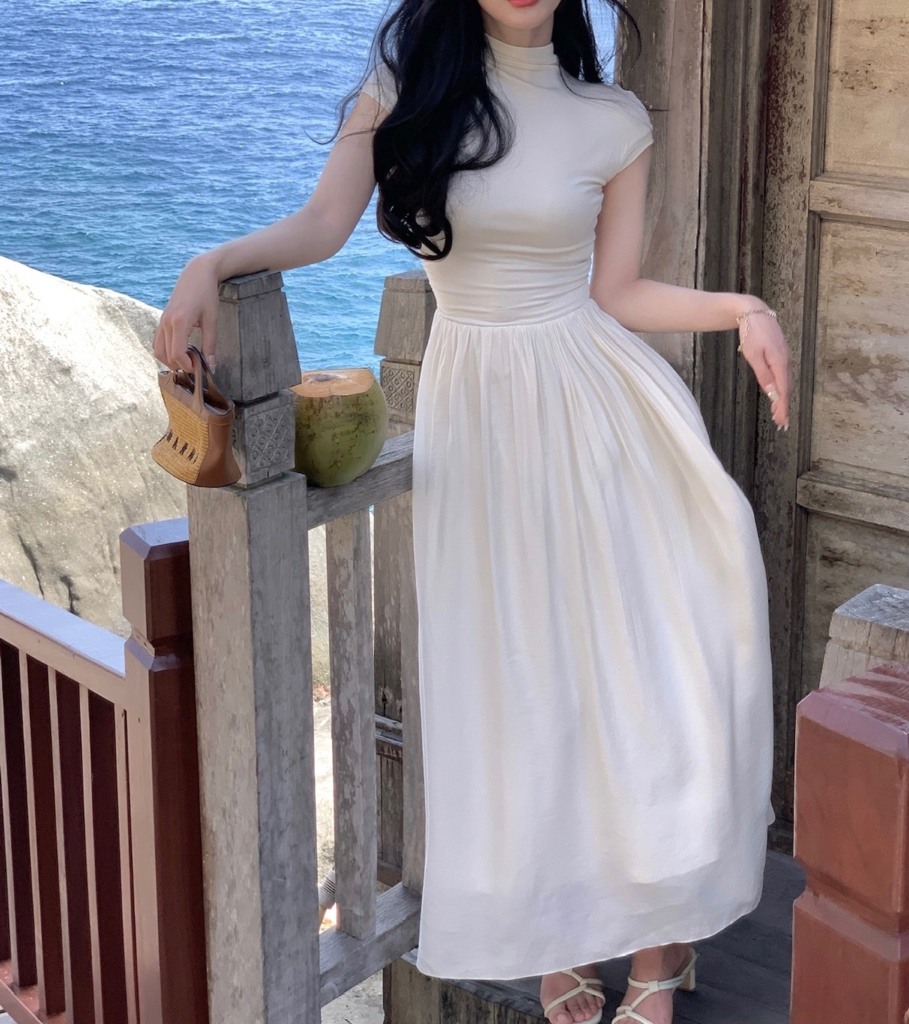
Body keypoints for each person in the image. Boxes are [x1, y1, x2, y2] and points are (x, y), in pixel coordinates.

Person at [152, 1, 791, 1022]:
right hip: (482, 421)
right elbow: (321, 228)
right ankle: (557, 932)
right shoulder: (403, 93)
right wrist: (209, 263)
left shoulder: (613, 118)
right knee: (523, 681)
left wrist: (743, 309)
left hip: (601, 414)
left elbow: (617, 293)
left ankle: (661, 949)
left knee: (643, 673)